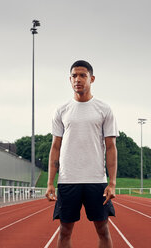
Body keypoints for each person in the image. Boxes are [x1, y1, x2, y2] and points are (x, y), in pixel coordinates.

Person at [45, 60, 118, 248]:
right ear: (69, 80)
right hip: (68, 180)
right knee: (64, 231)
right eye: (74, 76)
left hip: (96, 179)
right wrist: (50, 182)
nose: (78, 79)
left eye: (82, 75)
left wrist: (112, 182)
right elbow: (55, 147)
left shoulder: (104, 109)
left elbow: (110, 147)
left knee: (103, 230)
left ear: (91, 79)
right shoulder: (61, 111)